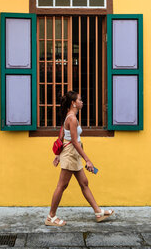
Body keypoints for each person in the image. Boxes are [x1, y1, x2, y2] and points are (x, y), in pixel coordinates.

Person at [45, 91, 114, 227]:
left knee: (84, 183)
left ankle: (98, 212)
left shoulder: (69, 116)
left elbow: (62, 132)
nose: (82, 102)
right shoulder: (72, 118)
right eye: (80, 100)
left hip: (72, 153)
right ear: (73, 103)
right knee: (62, 185)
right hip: (71, 153)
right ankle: (50, 217)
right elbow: (75, 142)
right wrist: (87, 160)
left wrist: (58, 153)